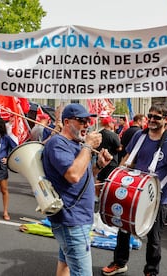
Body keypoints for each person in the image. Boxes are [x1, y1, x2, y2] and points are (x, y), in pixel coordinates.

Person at [102, 103, 167, 276]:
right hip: (132, 192)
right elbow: (127, 159)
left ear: (166, 120)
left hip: (158, 197)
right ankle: (119, 262)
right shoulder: (139, 136)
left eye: (157, 117)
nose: (151, 119)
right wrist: (116, 179)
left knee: (154, 238)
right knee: (123, 229)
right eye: (149, 116)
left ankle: (151, 271)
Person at [42, 103, 112, 276]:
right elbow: (72, 175)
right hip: (71, 220)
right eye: (82, 121)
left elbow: (83, 176)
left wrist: (98, 165)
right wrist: (88, 146)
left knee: (65, 264)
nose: (87, 124)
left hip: (78, 217)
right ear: (67, 122)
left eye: (88, 120)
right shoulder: (58, 143)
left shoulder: (76, 145)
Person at [95, 116, 121, 197]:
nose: (113, 124)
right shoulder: (113, 135)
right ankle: (107, 198)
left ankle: (97, 197)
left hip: (100, 161)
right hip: (111, 162)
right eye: (113, 122)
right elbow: (119, 148)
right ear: (109, 123)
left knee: (99, 180)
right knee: (110, 182)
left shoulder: (99, 134)